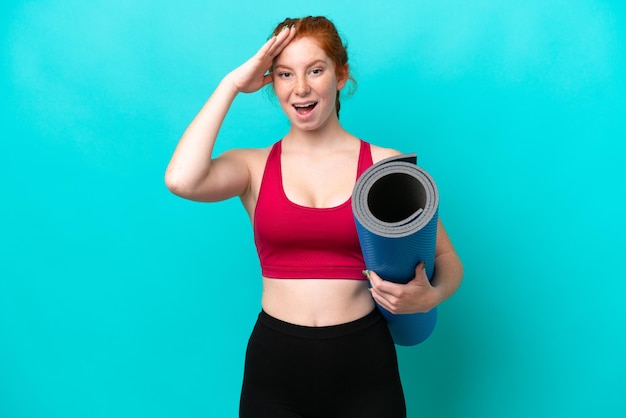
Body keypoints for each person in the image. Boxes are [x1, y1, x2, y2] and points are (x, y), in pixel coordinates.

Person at [165, 16, 463, 418]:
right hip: (275, 364)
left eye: (315, 70)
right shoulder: (253, 167)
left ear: (341, 75)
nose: (300, 88)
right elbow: (181, 180)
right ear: (271, 81)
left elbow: (447, 261)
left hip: (364, 362)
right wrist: (232, 85)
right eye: (285, 73)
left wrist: (431, 296)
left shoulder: (383, 165)